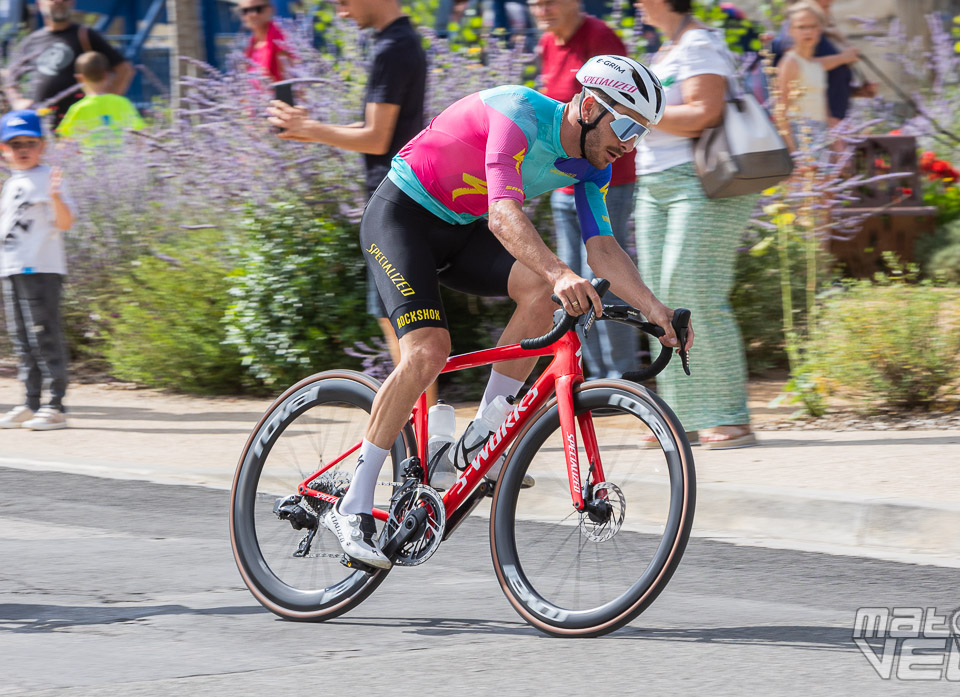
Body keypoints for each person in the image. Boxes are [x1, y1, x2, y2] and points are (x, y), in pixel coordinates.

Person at [272, 55, 693, 569]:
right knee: (429, 351)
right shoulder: (518, 112)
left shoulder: (590, 162)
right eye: (626, 125)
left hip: (460, 231)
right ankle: (354, 505)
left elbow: (603, 246)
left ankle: (482, 435)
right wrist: (562, 271)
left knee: (540, 292)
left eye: (640, 134)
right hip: (402, 217)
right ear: (588, 106)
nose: (628, 144)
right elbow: (502, 214)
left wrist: (657, 311)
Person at [268, 0, 432, 406]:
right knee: (412, 337)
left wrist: (311, 128)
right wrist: (310, 131)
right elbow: (377, 131)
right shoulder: (402, 42)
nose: (341, 13)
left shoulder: (392, 48)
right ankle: (424, 443)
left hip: (393, 205)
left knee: (409, 340)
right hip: (405, 199)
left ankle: (420, 445)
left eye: (341, 2)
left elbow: (376, 138)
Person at [633, 0, 758, 450]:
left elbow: (706, 112)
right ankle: (678, 417)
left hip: (700, 181)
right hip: (655, 185)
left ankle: (729, 416)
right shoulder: (666, 49)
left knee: (694, 291)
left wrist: (638, 111)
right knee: (658, 300)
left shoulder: (699, 44)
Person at [532, 0, 639, 379]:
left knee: (604, 280)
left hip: (606, 180)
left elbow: (626, 113)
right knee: (572, 287)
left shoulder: (600, 38)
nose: (543, 10)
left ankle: (621, 377)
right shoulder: (548, 43)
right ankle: (588, 378)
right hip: (565, 186)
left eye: (551, 2)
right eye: (536, 3)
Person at [0, 110, 76, 431]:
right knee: (22, 339)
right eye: (14, 143)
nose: (22, 149)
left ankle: (55, 405)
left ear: (42, 146)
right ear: (4, 149)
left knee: (44, 336)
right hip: (12, 269)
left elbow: (66, 222)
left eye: (29, 142)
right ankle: (30, 402)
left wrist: (56, 197)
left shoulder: (49, 177)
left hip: (41, 269)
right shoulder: (12, 183)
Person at [3, 0, 135, 129]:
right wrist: (17, 101)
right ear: (39, 4)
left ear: (72, 2)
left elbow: (124, 69)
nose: (59, 2)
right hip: (42, 131)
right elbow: (10, 79)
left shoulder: (85, 35)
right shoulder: (30, 42)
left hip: (80, 131)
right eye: (53, 0)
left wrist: (106, 104)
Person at [771, 0, 860, 128]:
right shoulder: (795, 29)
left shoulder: (823, 33)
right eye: (825, 7)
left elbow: (817, 82)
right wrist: (842, 58)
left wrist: (857, 91)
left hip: (828, 123)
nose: (828, 12)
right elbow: (800, 66)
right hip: (805, 127)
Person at [55, 52, 145, 145]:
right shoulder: (123, 102)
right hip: (121, 159)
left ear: (80, 78)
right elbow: (140, 137)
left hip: (90, 159)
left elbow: (65, 143)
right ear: (106, 75)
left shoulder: (78, 108)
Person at [778, 2, 829, 151]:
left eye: (812, 26)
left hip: (820, 134)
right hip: (799, 134)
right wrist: (792, 150)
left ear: (819, 30)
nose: (808, 32)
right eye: (801, 27)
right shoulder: (790, 62)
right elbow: (781, 108)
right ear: (790, 30)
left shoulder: (816, 65)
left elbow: (823, 107)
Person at [240, 0, 292, 82]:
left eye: (258, 9)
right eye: (245, 11)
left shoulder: (280, 41)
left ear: (271, 9)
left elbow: (290, 84)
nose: (252, 15)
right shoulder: (250, 45)